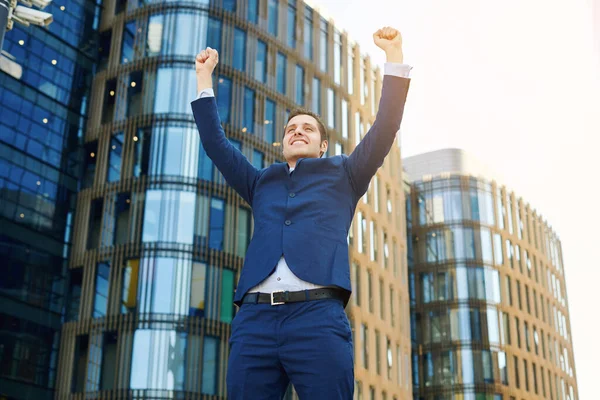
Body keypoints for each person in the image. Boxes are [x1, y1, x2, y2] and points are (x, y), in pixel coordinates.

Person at [191, 26, 411, 400]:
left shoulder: (345, 173)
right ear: (282, 143)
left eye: (307, 128)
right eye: (291, 128)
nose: (297, 131)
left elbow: (385, 128)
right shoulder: (261, 181)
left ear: (322, 145)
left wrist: (393, 57)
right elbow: (216, 145)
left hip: (317, 318)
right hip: (254, 321)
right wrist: (203, 77)